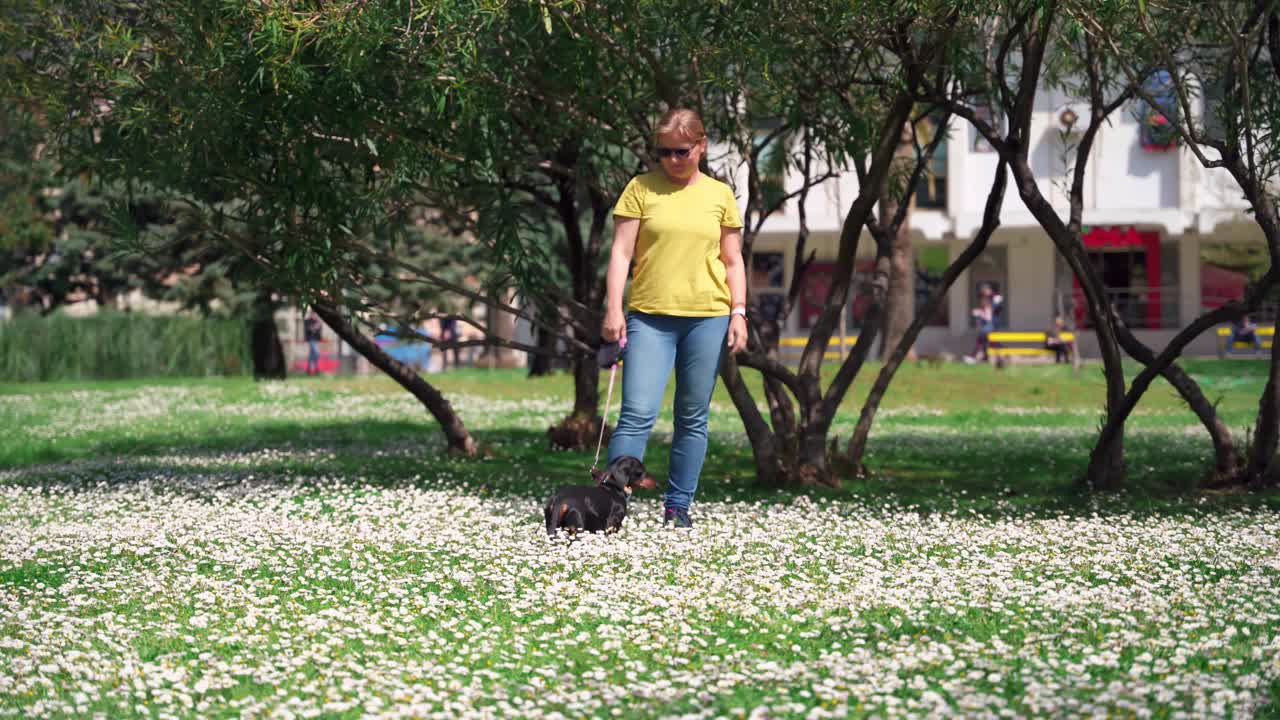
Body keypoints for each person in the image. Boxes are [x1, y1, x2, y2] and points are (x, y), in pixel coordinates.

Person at [601, 107, 747, 529]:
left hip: (708, 317)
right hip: (649, 316)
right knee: (636, 413)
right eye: (662, 152)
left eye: (680, 151)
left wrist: (738, 313)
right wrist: (613, 309)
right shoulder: (640, 189)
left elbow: (733, 261)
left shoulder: (719, 195)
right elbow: (621, 254)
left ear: (701, 147)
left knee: (692, 415)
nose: (671, 160)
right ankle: (612, 508)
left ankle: (677, 508)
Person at [967, 284, 1003, 363]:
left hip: (991, 324)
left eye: (985, 291)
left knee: (982, 340)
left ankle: (973, 357)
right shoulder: (987, 299)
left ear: (989, 290)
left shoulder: (996, 298)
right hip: (987, 324)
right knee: (985, 341)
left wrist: (980, 313)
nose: (984, 293)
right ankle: (986, 357)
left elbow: (990, 314)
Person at [303, 310, 323, 375]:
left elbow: (319, 330)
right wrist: (315, 327)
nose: (315, 315)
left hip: (316, 339)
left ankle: (310, 370)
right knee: (316, 353)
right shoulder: (308, 321)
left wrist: (317, 327)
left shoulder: (317, 321)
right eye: (314, 314)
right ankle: (314, 369)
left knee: (312, 355)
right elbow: (309, 329)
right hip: (311, 339)